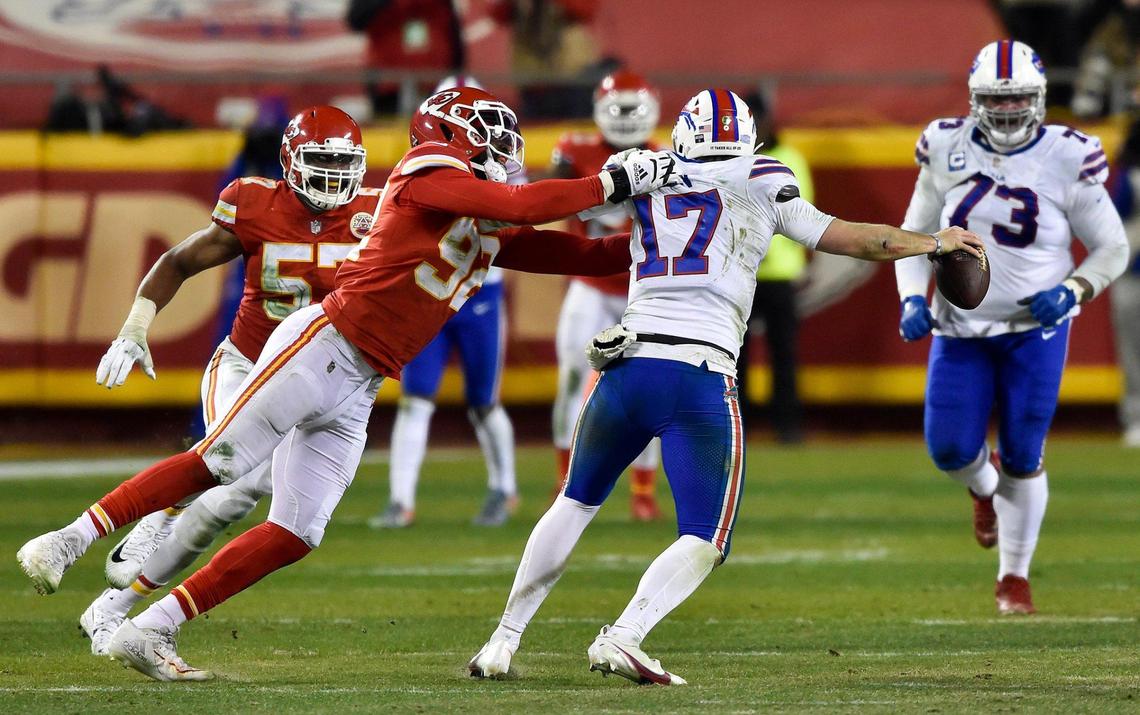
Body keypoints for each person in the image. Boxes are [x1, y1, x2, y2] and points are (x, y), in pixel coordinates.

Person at [16, 86, 680, 682]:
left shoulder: (485, 223)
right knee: (219, 463)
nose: (503, 149)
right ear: (451, 134)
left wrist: (680, 226)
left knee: (297, 529)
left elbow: (590, 253)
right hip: (321, 342)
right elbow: (521, 202)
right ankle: (68, 539)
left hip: (362, 380)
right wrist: (616, 178)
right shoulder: (426, 174)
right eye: (488, 133)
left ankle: (151, 626)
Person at [468, 88, 984, 685]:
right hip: (698, 374)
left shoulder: (649, 170)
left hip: (628, 363)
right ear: (747, 138)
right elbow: (859, 240)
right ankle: (626, 636)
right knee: (706, 536)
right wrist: (935, 243)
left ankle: (501, 643)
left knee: (575, 502)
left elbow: (578, 221)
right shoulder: (762, 175)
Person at [78, 106, 381, 656]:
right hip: (245, 362)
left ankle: (112, 607)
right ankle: (159, 513)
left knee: (231, 505)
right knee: (233, 475)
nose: (335, 176)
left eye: (344, 163)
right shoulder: (255, 203)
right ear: (291, 161)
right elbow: (177, 261)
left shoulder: (378, 214)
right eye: (322, 162)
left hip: (313, 380)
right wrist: (134, 328)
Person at [894, 40, 1129, 615]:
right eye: (995, 100)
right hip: (960, 326)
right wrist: (909, 299)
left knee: (1024, 453)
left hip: (1034, 327)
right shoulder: (945, 145)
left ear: (1040, 97)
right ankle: (982, 487)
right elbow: (912, 235)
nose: (1006, 111)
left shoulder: (1067, 154)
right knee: (949, 450)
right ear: (974, 100)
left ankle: (1013, 578)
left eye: (1018, 97)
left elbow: (1111, 247)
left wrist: (1073, 289)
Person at [371, 76, 518, 529]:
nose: (493, 135)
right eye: (480, 123)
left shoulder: (504, 166)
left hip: (478, 295)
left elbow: (516, 223)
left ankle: (504, 488)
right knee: (416, 398)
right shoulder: (424, 171)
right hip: (430, 298)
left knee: (483, 402)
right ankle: (401, 500)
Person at [550, 70, 664, 521]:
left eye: (632, 108)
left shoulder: (667, 157)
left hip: (643, 292)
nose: (625, 117)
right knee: (572, 380)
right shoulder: (576, 150)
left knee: (651, 391)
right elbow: (549, 190)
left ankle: (643, 491)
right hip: (592, 288)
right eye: (618, 108)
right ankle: (564, 482)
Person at [736, 91, 813, 443]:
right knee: (735, 358)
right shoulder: (735, 162)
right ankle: (739, 426)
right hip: (742, 274)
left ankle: (788, 427)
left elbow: (803, 214)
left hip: (779, 272)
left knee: (784, 355)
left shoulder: (790, 158)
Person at [345, 0, 465, 115]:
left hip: (435, 81)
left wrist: (455, 75)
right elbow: (356, 19)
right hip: (389, 84)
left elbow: (453, 33)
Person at [1106, 114, 1140, 447]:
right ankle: (1135, 419)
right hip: (1133, 273)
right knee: (1132, 352)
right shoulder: (1130, 176)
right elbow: (1115, 221)